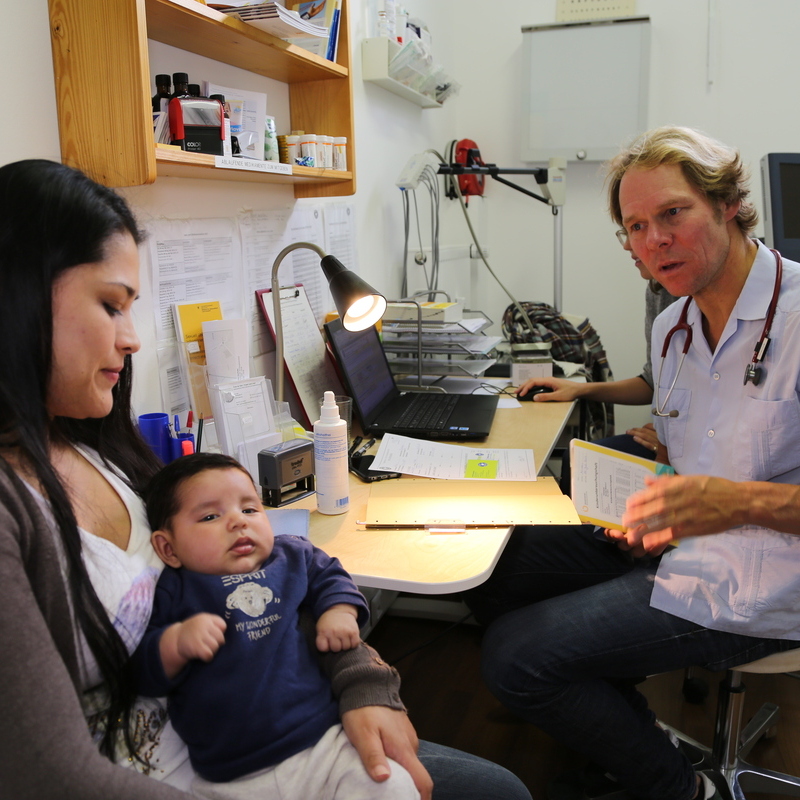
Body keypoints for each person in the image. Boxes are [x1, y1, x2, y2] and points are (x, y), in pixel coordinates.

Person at [0, 159, 533, 800]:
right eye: (111, 305)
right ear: (19, 296)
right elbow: (48, 775)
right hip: (208, 775)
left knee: (498, 789)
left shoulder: (96, 447)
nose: (133, 339)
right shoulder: (15, 506)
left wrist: (361, 678)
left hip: (288, 729)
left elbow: (284, 569)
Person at [465, 126, 800, 800]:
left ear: (727, 203)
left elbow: (727, 493)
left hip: (761, 579)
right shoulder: (672, 326)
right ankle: (623, 730)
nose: (654, 241)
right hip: (678, 545)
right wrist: (652, 505)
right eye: (636, 227)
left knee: (514, 659)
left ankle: (680, 790)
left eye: (672, 214)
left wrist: (734, 503)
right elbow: (682, 453)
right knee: (494, 563)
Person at [135, 451, 418, 799]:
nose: (238, 522)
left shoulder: (291, 555)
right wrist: (174, 644)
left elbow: (332, 576)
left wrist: (339, 612)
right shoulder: (173, 591)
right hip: (230, 775)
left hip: (324, 743)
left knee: (391, 785)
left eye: (250, 509)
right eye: (210, 515)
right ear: (168, 547)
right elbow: (141, 671)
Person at [516, 238, 678, 487]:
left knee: (579, 473)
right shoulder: (658, 289)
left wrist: (674, 445)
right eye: (628, 230)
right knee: (576, 462)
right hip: (669, 442)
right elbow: (653, 381)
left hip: (691, 454)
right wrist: (579, 389)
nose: (627, 245)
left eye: (637, 229)